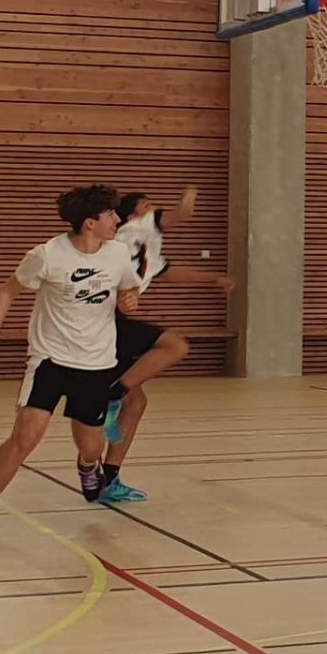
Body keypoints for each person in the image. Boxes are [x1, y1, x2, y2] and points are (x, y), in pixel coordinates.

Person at [0, 185, 144, 542]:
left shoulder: (118, 253)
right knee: (25, 437)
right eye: (110, 214)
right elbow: (7, 291)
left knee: (91, 447)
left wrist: (130, 300)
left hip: (97, 362)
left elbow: (129, 289)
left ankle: (87, 467)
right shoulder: (47, 255)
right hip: (50, 359)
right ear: (90, 223)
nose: (117, 219)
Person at [94, 186, 232, 504]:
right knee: (175, 346)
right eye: (146, 204)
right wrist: (192, 191)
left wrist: (215, 279)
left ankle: (109, 479)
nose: (153, 208)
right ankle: (112, 395)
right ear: (132, 214)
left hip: (111, 320)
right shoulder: (137, 225)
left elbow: (169, 272)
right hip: (105, 318)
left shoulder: (144, 244)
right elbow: (183, 213)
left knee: (136, 402)